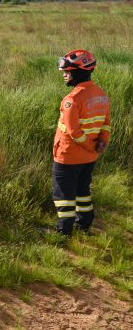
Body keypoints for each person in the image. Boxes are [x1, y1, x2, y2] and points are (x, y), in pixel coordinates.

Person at [52, 50, 111, 235]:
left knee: (64, 196)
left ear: (77, 72)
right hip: (89, 157)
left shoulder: (72, 100)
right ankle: (84, 225)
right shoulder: (102, 95)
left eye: (67, 72)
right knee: (82, 192)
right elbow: (106, 124)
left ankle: (63, 232)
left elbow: (74, 132)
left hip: (68, 157)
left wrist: (90, 145)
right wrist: (101, 142)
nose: (64, 75)